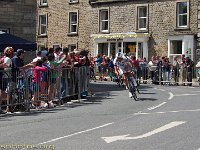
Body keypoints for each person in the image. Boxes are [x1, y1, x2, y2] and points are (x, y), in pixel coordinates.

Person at [0, 47, 14, 113]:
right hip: (6, 77)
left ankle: (5, 107)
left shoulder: (2, 58)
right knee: (8, 92)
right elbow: (6, 66)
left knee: (2, 92)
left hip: (3, 77)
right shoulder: (8, 59)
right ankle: (8, 107)